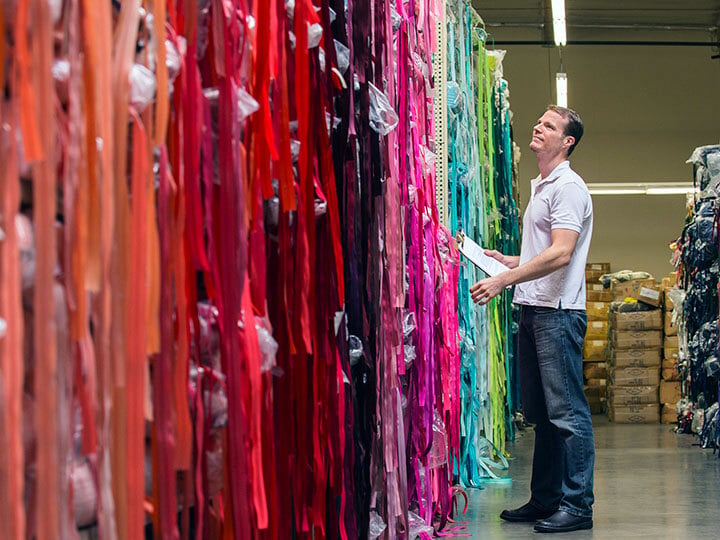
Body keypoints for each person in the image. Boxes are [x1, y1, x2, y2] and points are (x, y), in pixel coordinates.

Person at [470, 105, 595, 533]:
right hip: (535, 307)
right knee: (542, 416)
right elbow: (546, 252)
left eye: (550, 126)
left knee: (568, 416)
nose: (538, 127)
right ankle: (545, 500)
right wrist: (508, 261)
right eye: (539, 120)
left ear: (567, 142)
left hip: (557, 314)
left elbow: (562, 252)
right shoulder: (543, 186)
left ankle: (578, 506)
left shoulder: (568, 187)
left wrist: (505, 279)